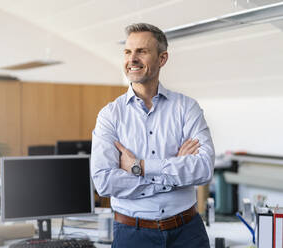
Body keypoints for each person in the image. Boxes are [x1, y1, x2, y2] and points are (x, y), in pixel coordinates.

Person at [90, 23, 215, 248]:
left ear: (162, 58)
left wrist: (139, 167)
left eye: (142, 51)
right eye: (128, 52)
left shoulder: (187, 108)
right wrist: (175, 170)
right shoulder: (110, 115)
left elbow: (204, 169)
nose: (132, 59)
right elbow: (104, 182)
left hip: (188, 232)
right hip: (133, 235)